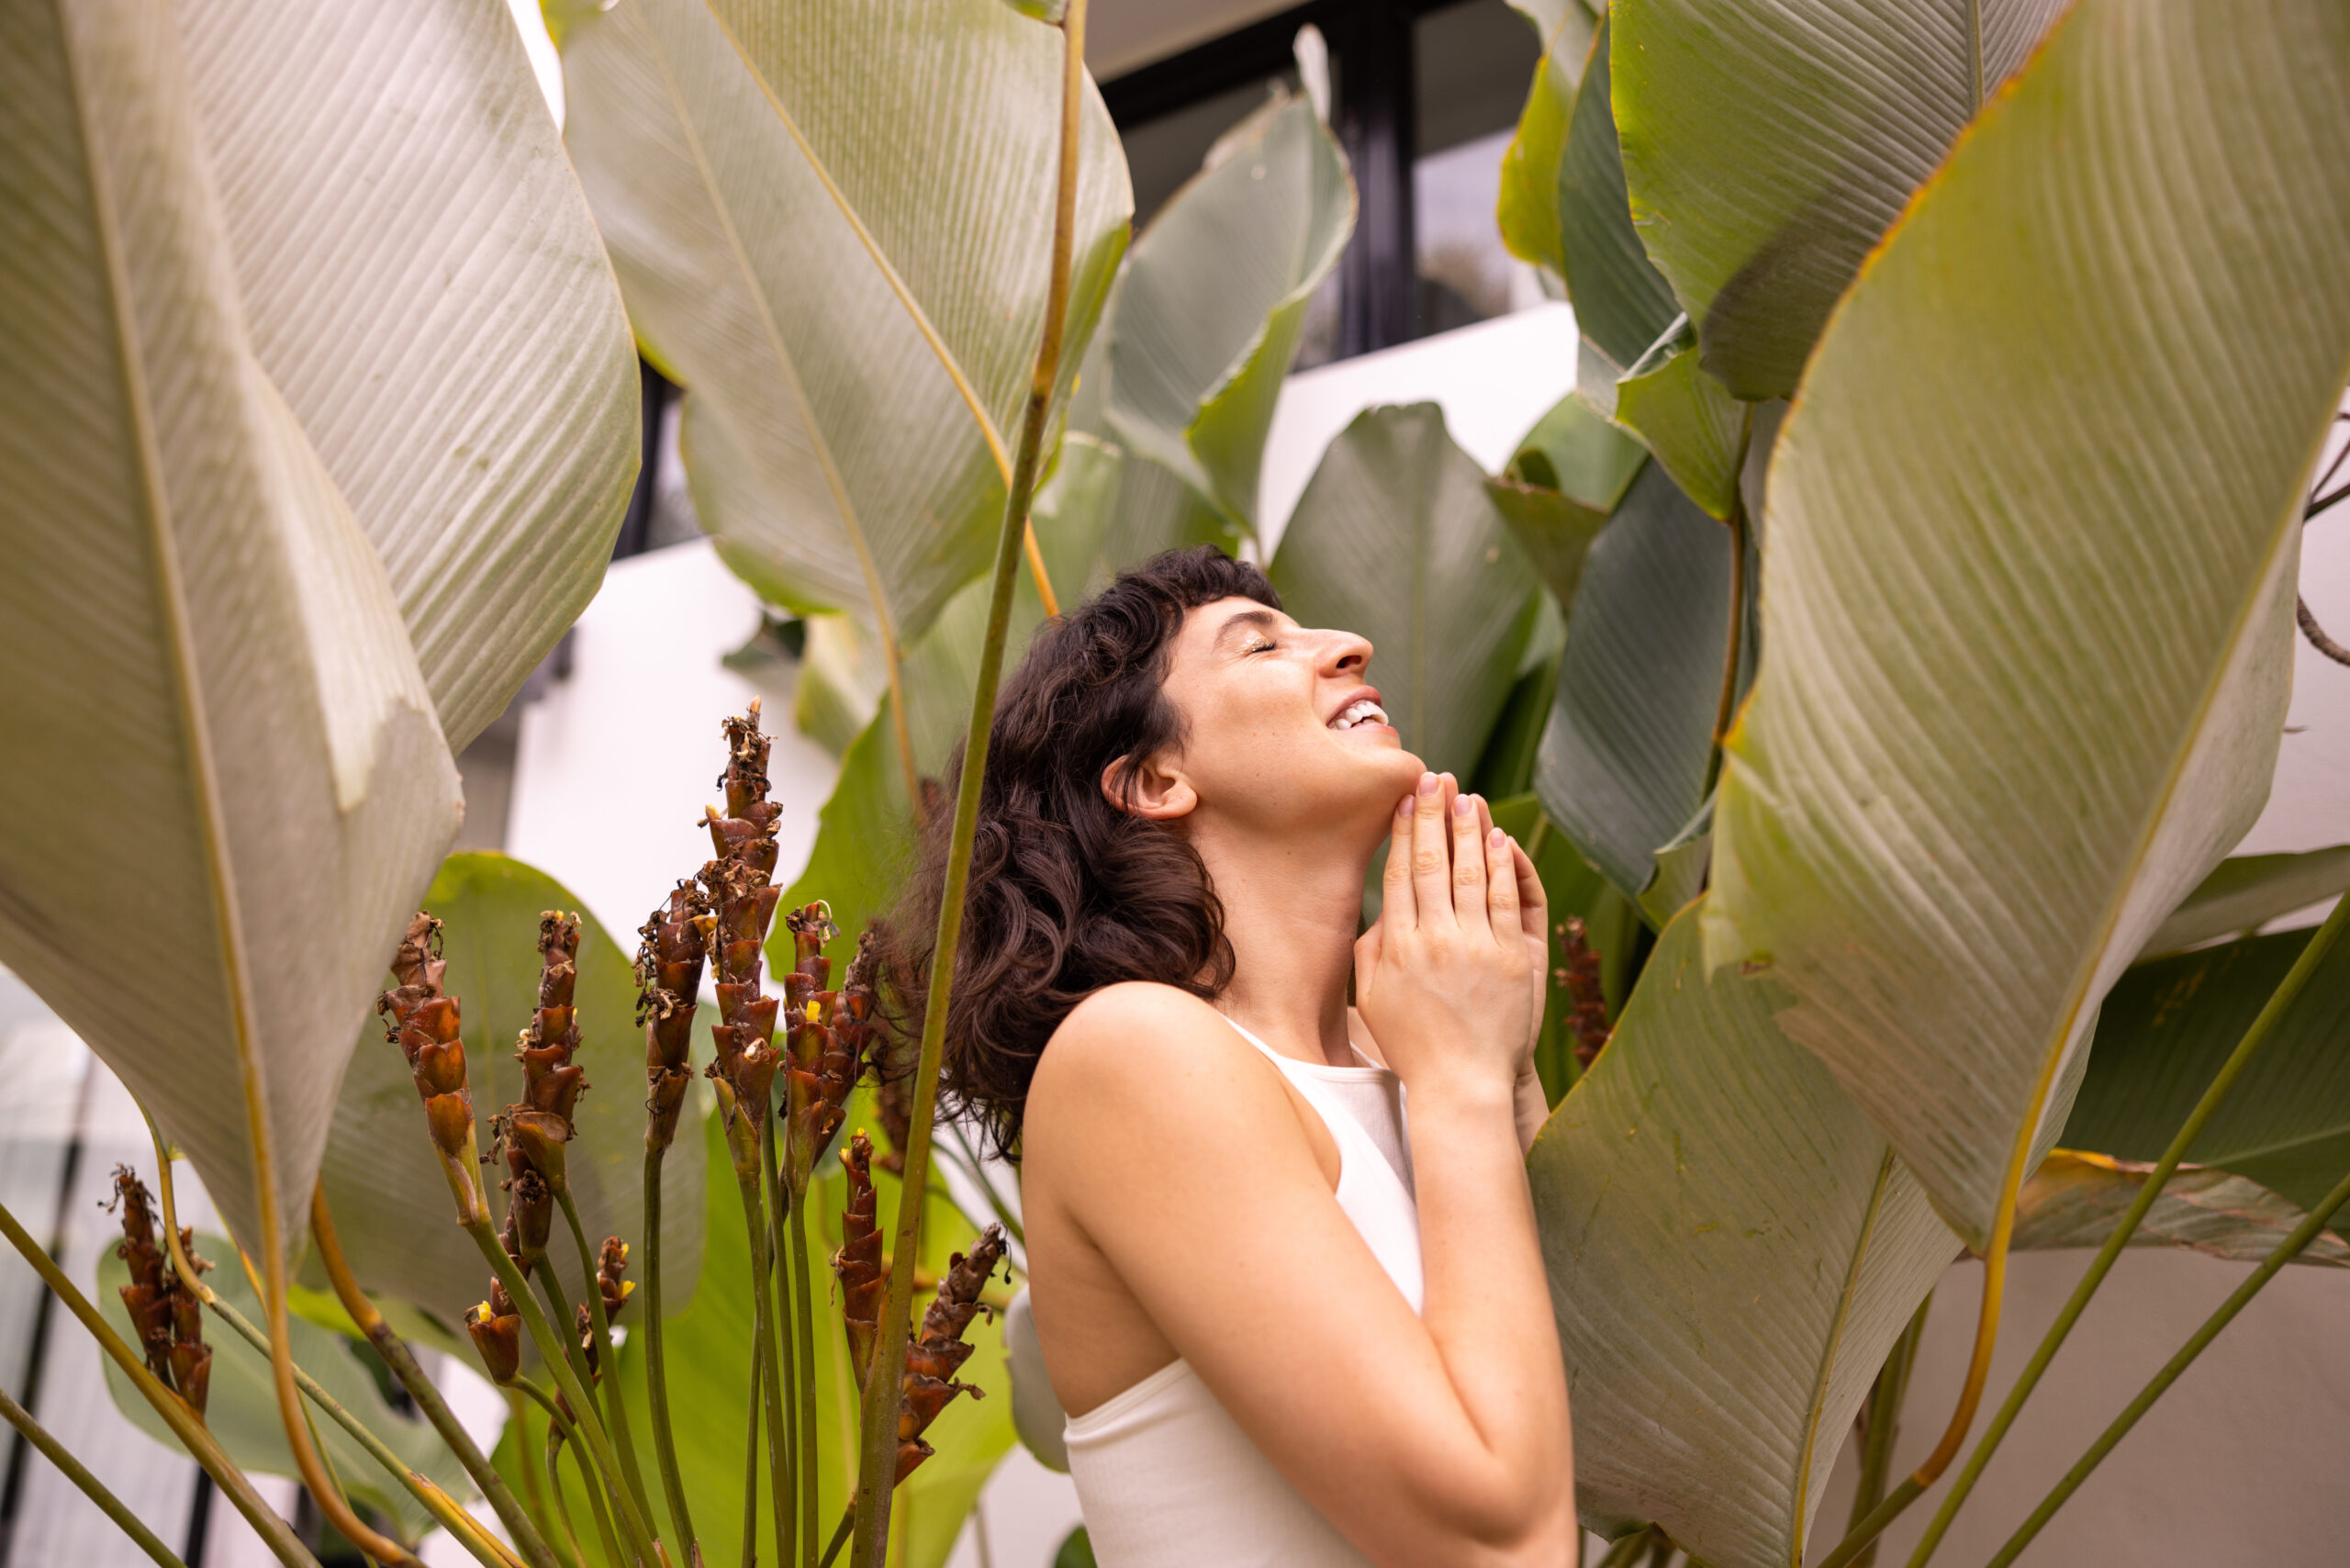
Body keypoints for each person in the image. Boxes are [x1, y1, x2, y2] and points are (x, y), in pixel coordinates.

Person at [889, 548, 1574, 1567]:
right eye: (1259, 643)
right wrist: (1467, 1080)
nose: (1349, 645)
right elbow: (1503, 1541)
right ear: (1155, 779)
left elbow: (1598, 1449)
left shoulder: (1412, 1051)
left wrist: (1506, 1069)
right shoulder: (1135, 1054)